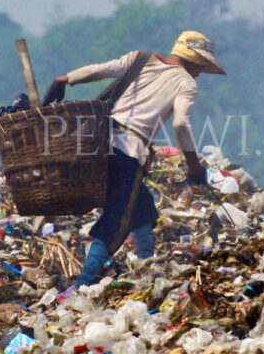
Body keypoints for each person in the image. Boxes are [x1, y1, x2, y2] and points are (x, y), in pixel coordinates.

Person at [46, 31, 226, 287]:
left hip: (97, 144)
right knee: (116, 221)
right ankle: (81, 286)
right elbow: (181, 125)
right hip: (127, 155)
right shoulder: (186, 83)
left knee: (141, 207)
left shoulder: (141, 59)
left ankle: (146, 269)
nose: (200, 73)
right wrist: (195, 167)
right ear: (195, 60)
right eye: (201, 67)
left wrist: (65, 79)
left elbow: (101, 70)